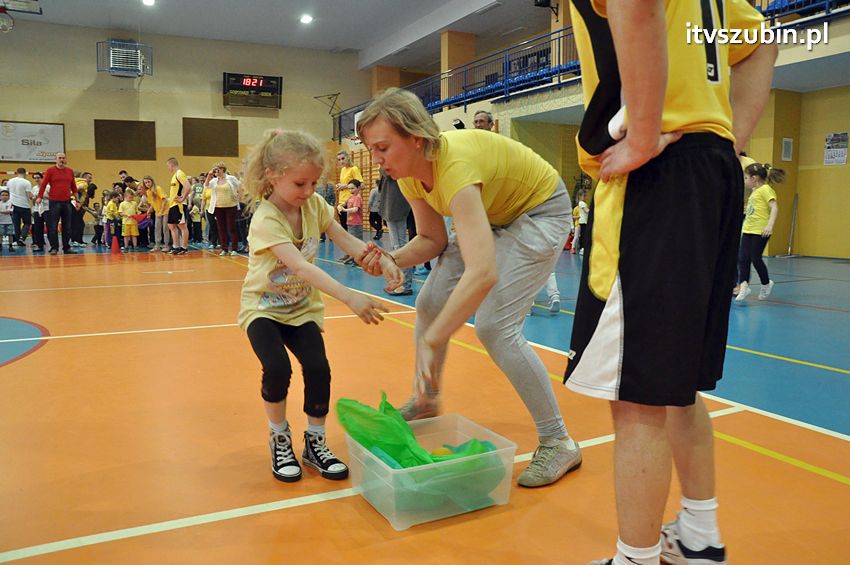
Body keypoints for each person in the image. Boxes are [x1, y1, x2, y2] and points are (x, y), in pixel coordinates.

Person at [562, 0, 776, 563]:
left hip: (659, 167)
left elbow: (637, 7)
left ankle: (635, 557)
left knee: (637, 397)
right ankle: (699, 536)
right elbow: (760, 42)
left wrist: (643, 133)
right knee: (675, 388)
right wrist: (733, 141)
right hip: (709, 166)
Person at [357, 87, 581, 488]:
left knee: (496, 327)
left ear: (416, 138)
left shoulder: (454, 165)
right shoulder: (409, 174)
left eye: (383, 148)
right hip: (493, 212)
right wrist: (392, 258)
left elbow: (482, 273)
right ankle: (426, 400)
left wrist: (439, 335)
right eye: (373, 149)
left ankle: (558, 440)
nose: (377, 159)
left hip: (538, 210)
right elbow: (432, 240)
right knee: (428, 303)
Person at [237, 128, 401, 483]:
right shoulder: (266, 219)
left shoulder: (314, 205)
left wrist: (383, 258)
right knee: (277, 368)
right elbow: (301, 266)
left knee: (318, 368)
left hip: (301, 308)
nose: (309, 192)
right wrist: (350, 296)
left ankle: (315, 442)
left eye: (313, 183)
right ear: (273, 176)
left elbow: (346, 241)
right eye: (300, 184)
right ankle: (279, 436)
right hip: (263, 309)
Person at [736, 163, 783, 302]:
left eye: (746, 178)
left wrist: (770, 225)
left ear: (754, 178)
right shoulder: (755, 192)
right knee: (742, 258)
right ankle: (744, 285)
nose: (745, 181)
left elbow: (774, 207)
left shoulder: (766, 189)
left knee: (755, 258)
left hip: (760, 230)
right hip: (748, 229)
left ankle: (766, 283)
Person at [377, 168, 414, 296]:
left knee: (400, 247)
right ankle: (399, 283)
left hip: (396, 207)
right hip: (392, 207)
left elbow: (386, 171)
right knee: (396, 246)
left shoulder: (393, 167)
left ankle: (405, 284)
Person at [35, 152, 77, 255]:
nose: (61, 160)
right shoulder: (50, 170)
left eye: (63, 158)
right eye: (59, 158)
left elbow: (74, 187)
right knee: (52, 226)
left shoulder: (70, 171)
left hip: (67, 202)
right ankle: (54, 247)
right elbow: (44, 184)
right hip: (54, 202)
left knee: (67, 227)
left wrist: (78, 200)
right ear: (56, 159)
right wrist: (39, 197)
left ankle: (66, 247)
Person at [205, 162, 240, 256]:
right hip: (218, 207)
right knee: (221, 228)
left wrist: (238, 196)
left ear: (222, 169)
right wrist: (209, 175)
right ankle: (224, 248)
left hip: (231, 206)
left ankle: (234, 248)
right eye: (214, 169)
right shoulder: (214, 181)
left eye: (217, 169)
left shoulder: (231, 178)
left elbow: (239, 186)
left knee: (231, 227)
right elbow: (206, 186)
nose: (216, 171)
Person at [335, 150, 363, 263]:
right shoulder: (342, 170)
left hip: (351, 203)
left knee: (352, 233)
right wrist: (340, 187)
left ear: (348, 158)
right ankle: (349, 253)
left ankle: (355, 254)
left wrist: (345, 186)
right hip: (343, 202)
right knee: (345, 232)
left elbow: (362, 185)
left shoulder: (354, 169)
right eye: (339, 160)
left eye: (343, 158)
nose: (341, 161)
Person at [165, 157, 191, 255]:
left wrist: (183, 198)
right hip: (172, 205)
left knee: (182, 226)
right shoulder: (174, 175)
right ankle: (175, 247)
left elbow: (188, 187)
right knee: (171, 225)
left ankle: (184, 248)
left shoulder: (180, 173)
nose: (168, 168)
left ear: (172, 165)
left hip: (178, 205)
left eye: (168, 166)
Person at [140, 176, 169, 252]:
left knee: (165, 228)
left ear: (152, 181)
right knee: (157, 228)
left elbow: (164, 200)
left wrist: (161, 211)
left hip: (165, 211)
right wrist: (149, 210)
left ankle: (166, 245)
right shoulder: (148, 192)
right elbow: (153, 203)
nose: (147, 184)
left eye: (148, 182)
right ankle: (157, 245)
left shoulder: (158, 188)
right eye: (145, 183)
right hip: (157, 212)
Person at [7, 168, 33, 247]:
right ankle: (22, 238)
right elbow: (29, 196)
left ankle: (17, 240)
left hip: (13, 205)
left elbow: (8, 192)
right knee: (27, 223)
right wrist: (34, 196)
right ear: (25, 173)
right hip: (24, 205)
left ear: (16, 173)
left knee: (16, 224)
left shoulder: (10, 181)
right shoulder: (26, 182)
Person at [30, 172, 47, 252]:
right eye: (35, 178)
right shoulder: (34, 188)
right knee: (38, 228)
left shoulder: (48, 187)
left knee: (50, 228)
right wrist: (33, 198)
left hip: (47, 209)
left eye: (38, 178)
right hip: (37, 209)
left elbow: (52, 197)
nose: (37, 179)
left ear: (42, 178)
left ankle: (53, 246)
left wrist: (42, 196)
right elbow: (33, 202)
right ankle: (39, 245)